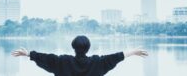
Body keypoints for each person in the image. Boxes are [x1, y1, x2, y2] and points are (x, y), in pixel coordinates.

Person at [12, 35, 148, 76]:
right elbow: (116, 56)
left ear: (73, 47)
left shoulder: (62, 62)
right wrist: (133, 52)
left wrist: (28, 54)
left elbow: (46, 58)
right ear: (88, 48)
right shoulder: (97, 63)